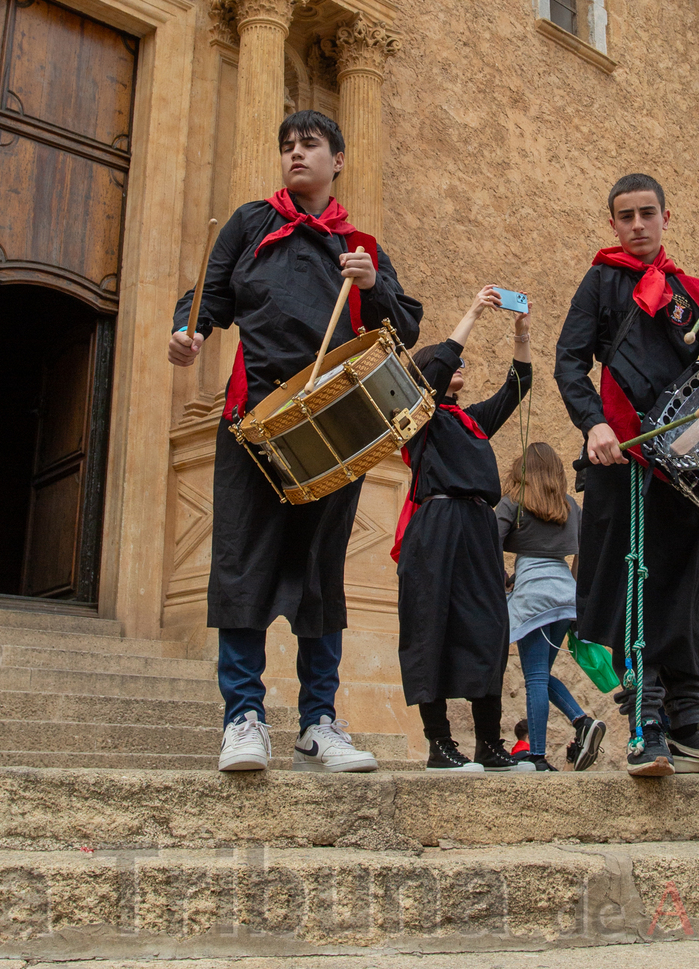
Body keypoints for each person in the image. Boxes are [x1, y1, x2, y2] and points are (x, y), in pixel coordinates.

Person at [169, 109, 421, 775]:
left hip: (337, 431)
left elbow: (408, 328)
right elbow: (208, 298)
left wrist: (375, 286)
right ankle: (243, 718)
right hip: (253, 419)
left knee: (321, 572)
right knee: (241, 563)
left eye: (310, 144)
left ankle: (318, 722)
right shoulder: (251, 224)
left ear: (338, 160)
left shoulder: (360, 244)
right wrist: (187, 330)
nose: (296, 154)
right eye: (287, 146)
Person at [554, 172, 699, 780]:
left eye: (648, 213)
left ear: (666, 217)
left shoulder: (691, 292)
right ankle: (646, 730)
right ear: (613, 223)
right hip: (622, 460)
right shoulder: (600, 281)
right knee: (632, 593)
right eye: (626, 216)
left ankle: (695, 730)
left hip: (683, 468)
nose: (638, 224)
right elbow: (570, 359)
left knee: (687, 595)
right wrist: (593, 424)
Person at [396, 289, 532, 772]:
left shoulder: (469, 421)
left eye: (460, 363)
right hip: (436, 525)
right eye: (448, 362)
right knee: (430, 627)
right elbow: (432, 374)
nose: (458, 365)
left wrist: (520, 333)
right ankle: (439, 744)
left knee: (488, 629)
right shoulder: (417, 418)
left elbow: (517, 387)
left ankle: (490, 744)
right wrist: (471, 311)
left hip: (477, 527)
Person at [496, 440, 606, 773]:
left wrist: (503, 577)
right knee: (541, 674)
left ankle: (537, 755)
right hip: (564, 596)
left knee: (534, 678)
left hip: (532, 595)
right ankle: (582, 721)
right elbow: (585, 557)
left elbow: (485, 543)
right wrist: (577, 598)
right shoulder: (571, 506)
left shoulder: (512, 503)